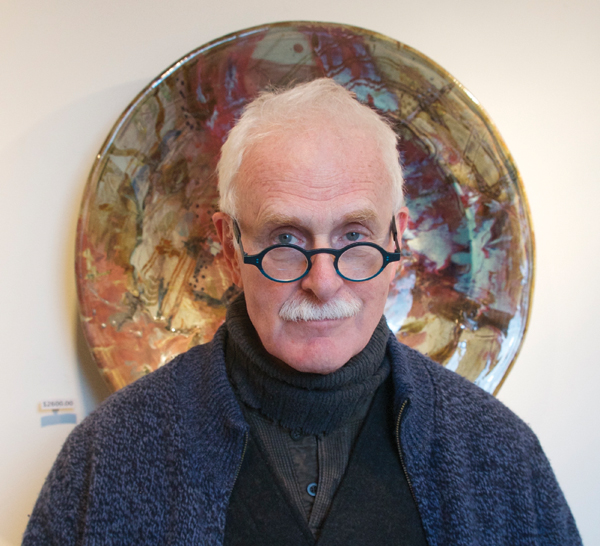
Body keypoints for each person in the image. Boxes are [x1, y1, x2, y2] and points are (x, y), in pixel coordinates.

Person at [23, 79, 581, 545]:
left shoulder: (502, 457)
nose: (323, 280)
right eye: (285, 237)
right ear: (229, 249)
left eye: (354, 234)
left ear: (400, 239)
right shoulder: (108, 458)